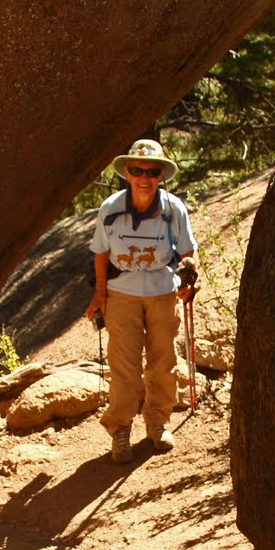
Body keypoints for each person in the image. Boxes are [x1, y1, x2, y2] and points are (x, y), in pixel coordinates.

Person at [85, 138, 198, 463]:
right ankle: (120, 429)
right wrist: (100, 295)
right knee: (125, 367)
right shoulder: (110, 209)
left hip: (163, 291)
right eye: (137, 170)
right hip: (122, 294)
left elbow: (188, 251)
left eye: (152, 171)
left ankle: (158, 423)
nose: (144, 178)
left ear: (161, 175)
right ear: (127, 173)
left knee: (163, 362)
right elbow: (101, 253)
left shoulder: (173, 209)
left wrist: (191, 276)